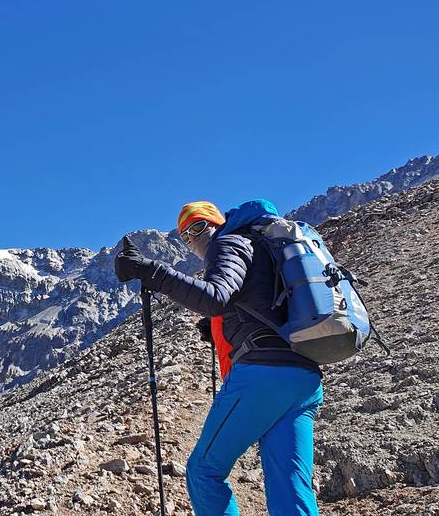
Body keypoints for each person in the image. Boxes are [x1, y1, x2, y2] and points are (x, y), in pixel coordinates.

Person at [114, 199, 323, 516]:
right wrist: (228, 327)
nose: (193, 239)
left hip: (262, 376)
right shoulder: (262, 248)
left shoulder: (229, 243)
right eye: (185, 235)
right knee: (290, 485)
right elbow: (262, 302)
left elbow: (214, 297)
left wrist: (149, 271)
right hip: (303, 376)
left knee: (203, 472)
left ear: (217, 222)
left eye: (197, 227)